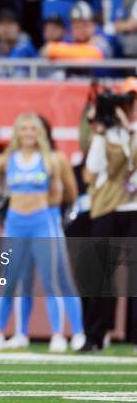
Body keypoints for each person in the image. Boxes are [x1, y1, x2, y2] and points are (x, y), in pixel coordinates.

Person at [0, 113, 79, 352]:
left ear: (41, 133)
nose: (29, 133)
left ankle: (58, 334)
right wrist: (2, 200)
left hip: (43, 223)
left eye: (33, 129)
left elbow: (66, 193)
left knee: (52, 281)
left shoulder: (51, 160)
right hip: (15, 224)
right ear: (17, 133)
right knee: (10, 282)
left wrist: (53, 208)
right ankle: (0, 333)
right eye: (24, 129)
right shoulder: (6, 160)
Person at [80, 77, 137, 352]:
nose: (128, 107)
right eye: (124, 101)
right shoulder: (107, 133)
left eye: (132, 100)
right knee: (100, 274)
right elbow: (92, 169)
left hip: (133, 207)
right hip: (107, 207)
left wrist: (130, 132)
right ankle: (95, 336)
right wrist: (100, 129)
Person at [0, 9, 37, 79]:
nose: (6, 28)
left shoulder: (26, 47)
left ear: (18, 27)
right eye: (1, 24)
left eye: (10, 23)